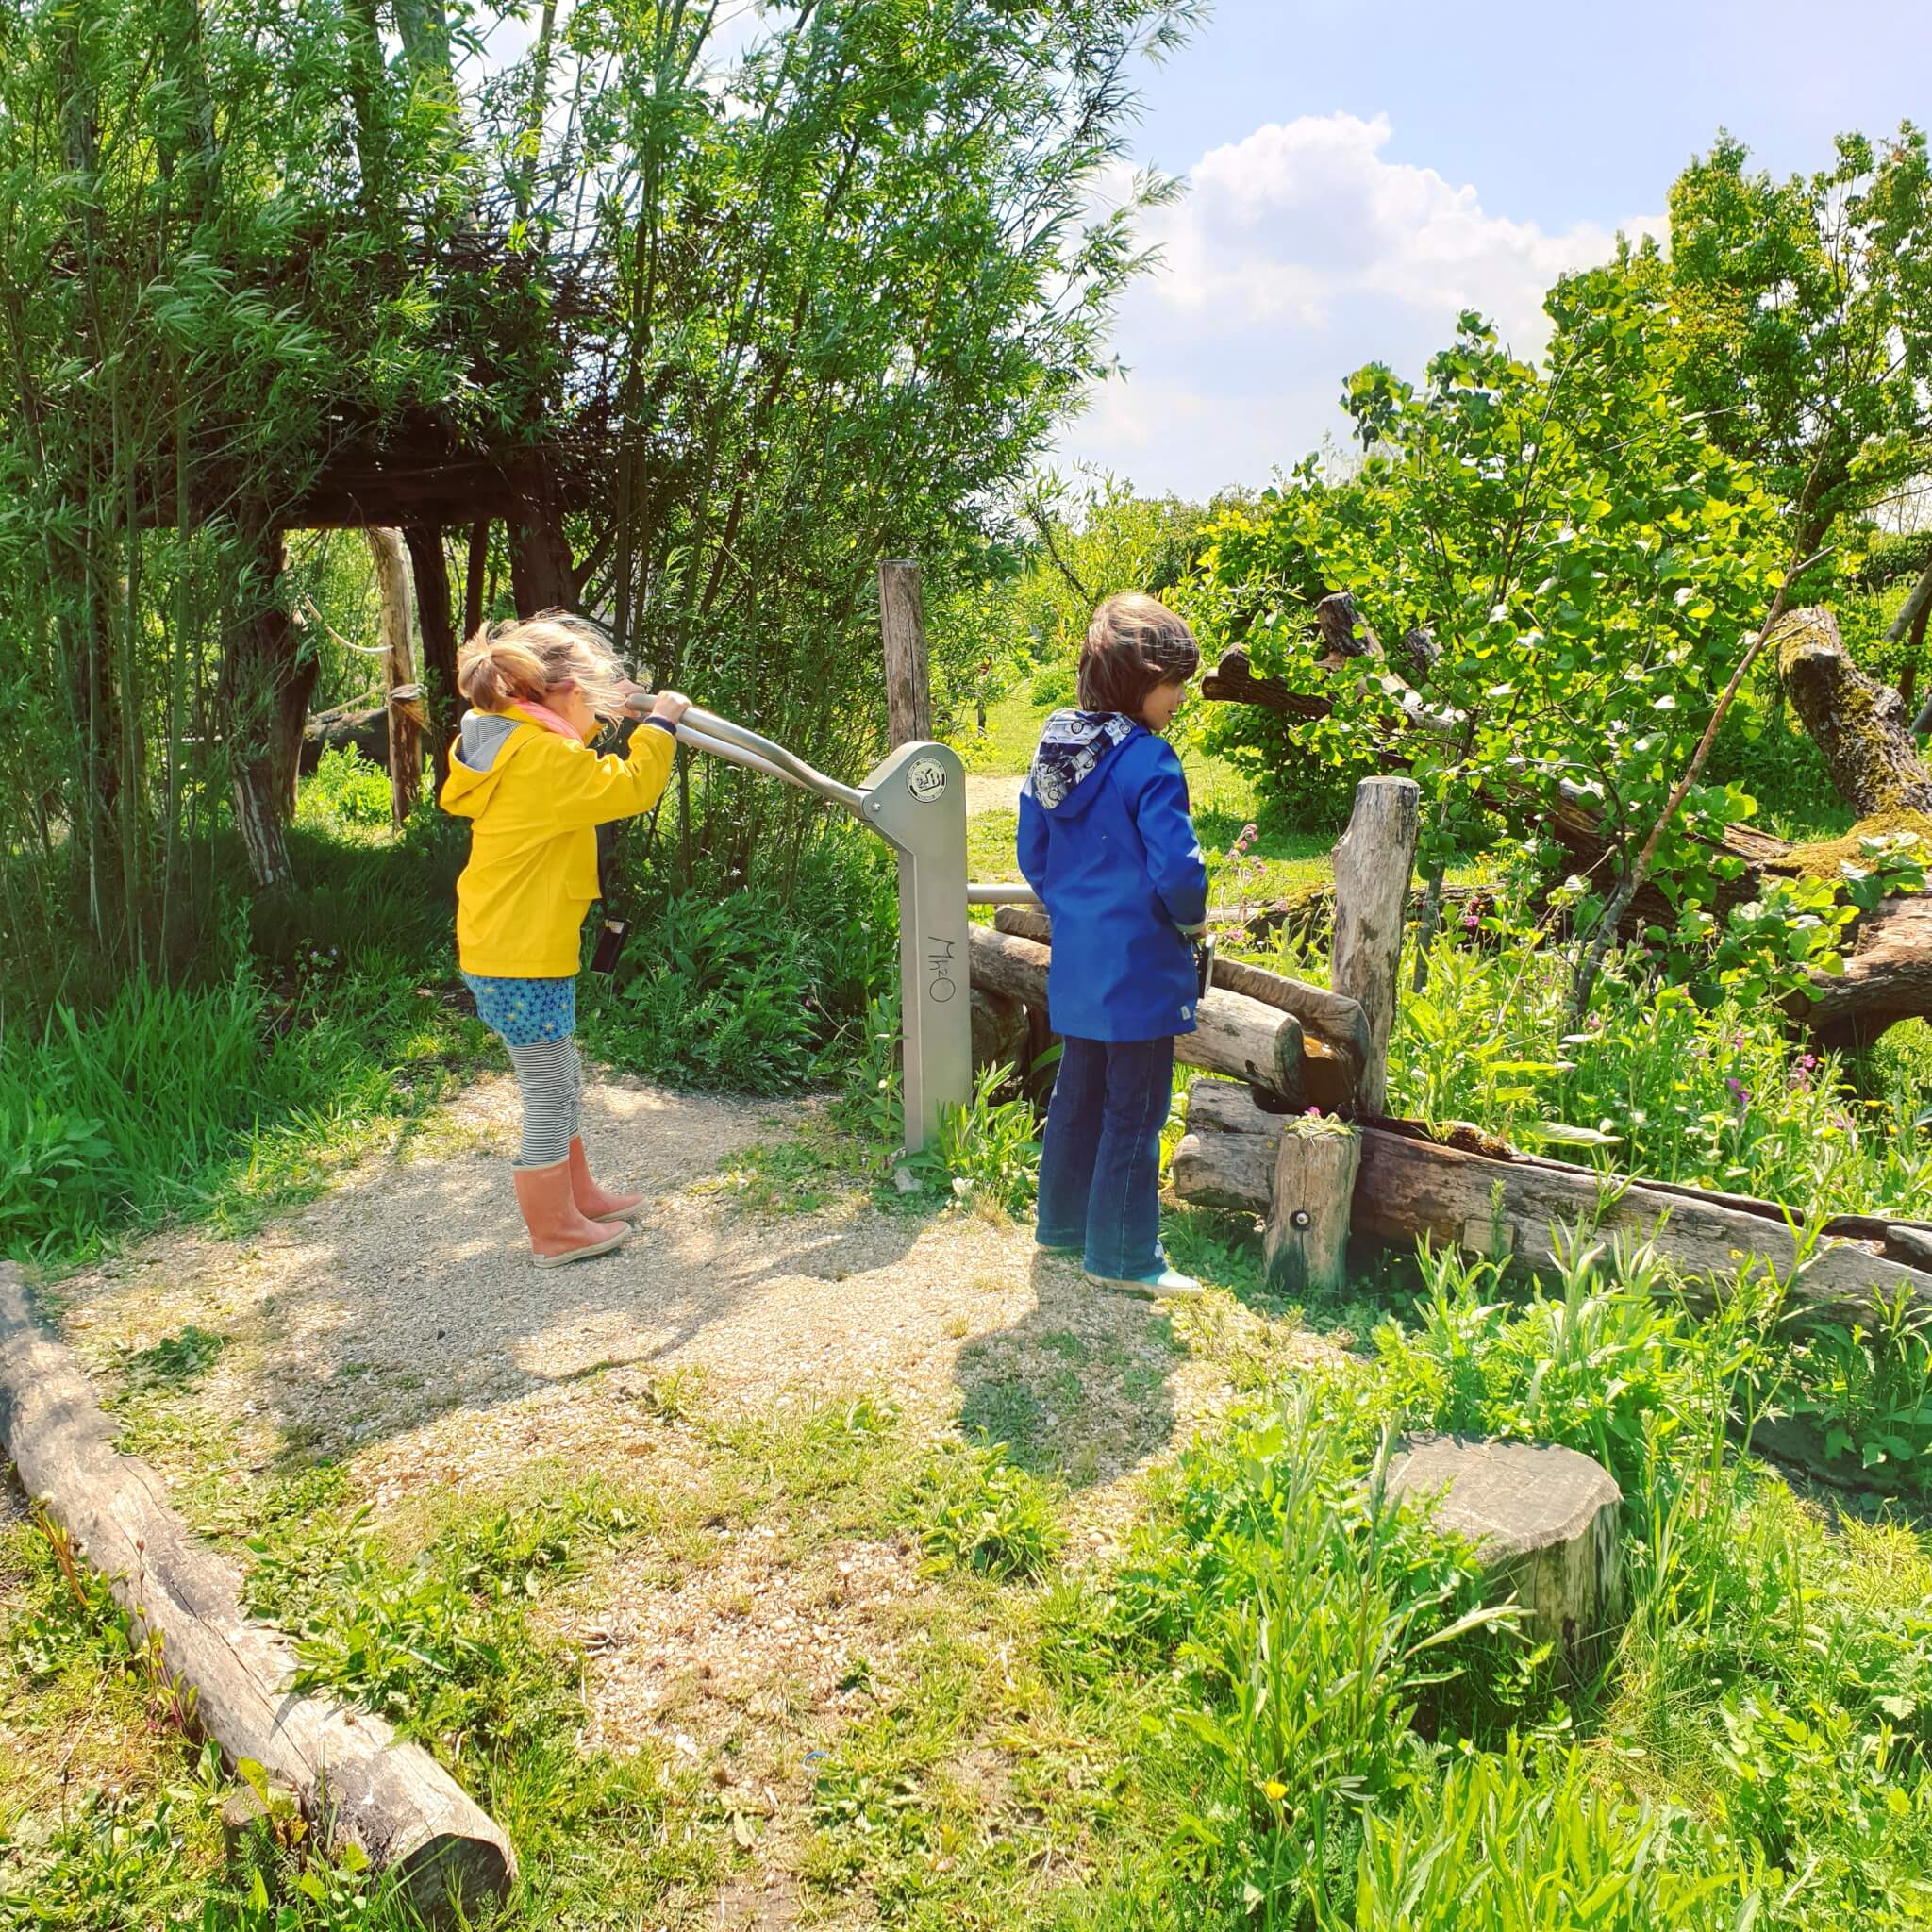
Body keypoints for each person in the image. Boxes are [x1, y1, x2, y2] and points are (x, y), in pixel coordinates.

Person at [441, 612, 691, 1266]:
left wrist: (637, 715)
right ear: (558, 693)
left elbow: (589, 774)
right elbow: (631, 787)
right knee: (549, 1087)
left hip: (516, 946)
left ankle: (577, 1196)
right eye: (595, 698)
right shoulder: (539, 758)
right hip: (518, 953)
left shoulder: (517, 748)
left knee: (563, 1071)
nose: (604, 718)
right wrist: (659, 723)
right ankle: (553, 1228)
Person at [1017, 592, 1208, 1300]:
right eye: (1173, 684)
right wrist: (1191, 923)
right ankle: (1125, 1256)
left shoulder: (1055, 750)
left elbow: (1032, 856)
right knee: (1135, 1109)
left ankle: (1062, 1227)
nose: (1181, 698)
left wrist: (1074, 906)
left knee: (1077, 1094)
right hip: (1139, 966)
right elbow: (1180, 871)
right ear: (1138, 685)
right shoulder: (1149, 761)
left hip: (1079, 962)